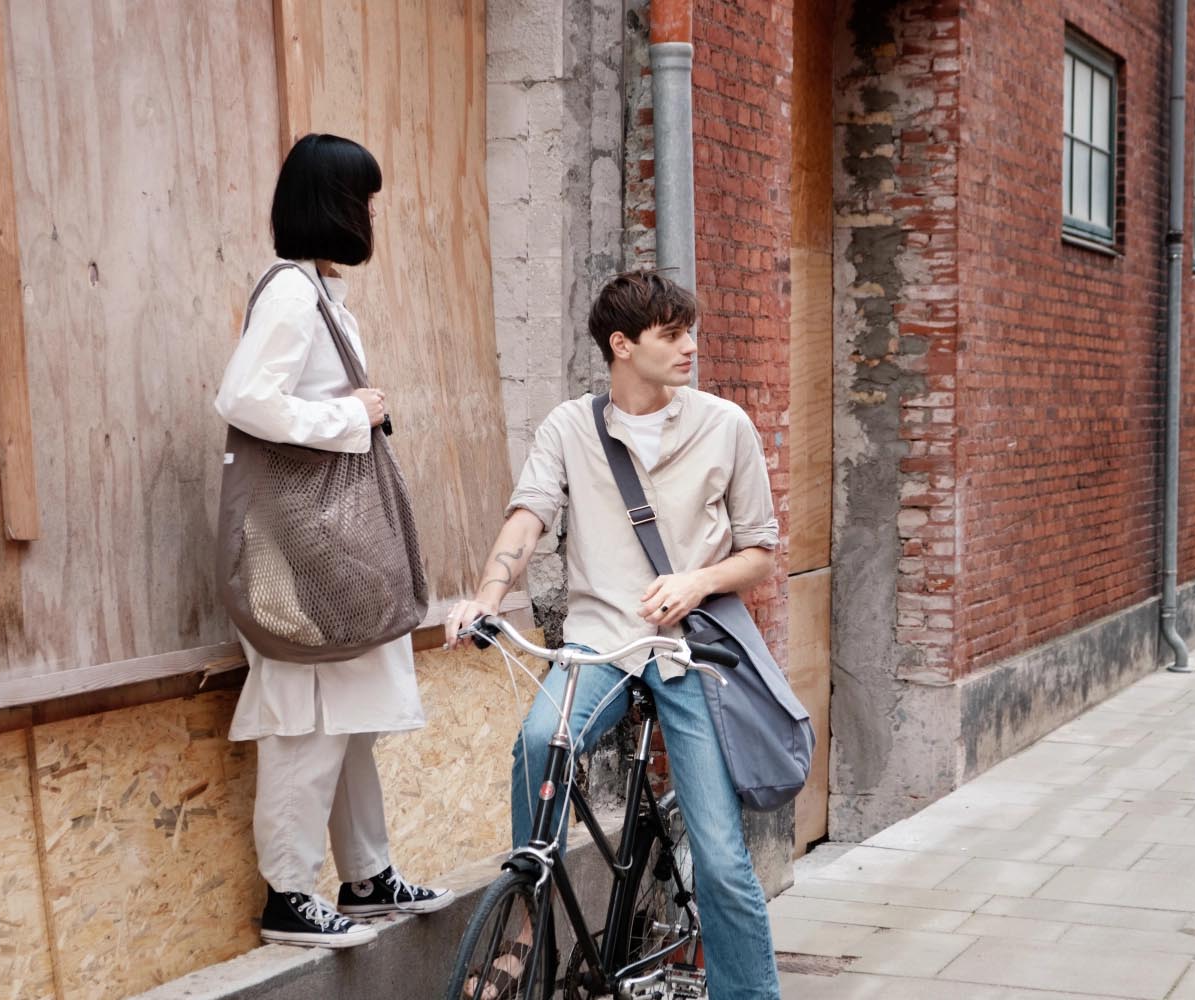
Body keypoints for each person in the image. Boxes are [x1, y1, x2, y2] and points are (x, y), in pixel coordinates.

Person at [445, 272, 781, 999]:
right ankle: (526, 921)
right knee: (540, 740)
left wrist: (695, 582)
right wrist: (487, 597)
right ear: (622, 345)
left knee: (722, 862)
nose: (690, 347)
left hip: (688, 650)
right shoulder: (570, 427)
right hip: (599, 640)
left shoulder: (725, 426)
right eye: (672, 335)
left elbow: (759, 551)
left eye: (689, 332)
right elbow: (530, 515)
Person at [216, 133, 452, 948]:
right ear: (336, 204)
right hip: (297, 545)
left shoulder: (317, 292)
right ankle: (289, 895)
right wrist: (352, 416)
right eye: (364, 199)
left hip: (316, 537)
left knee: (344, 714)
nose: (371, 214)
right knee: (307, 720)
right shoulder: (290, 292)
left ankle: (367, 875)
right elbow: (244, 399)